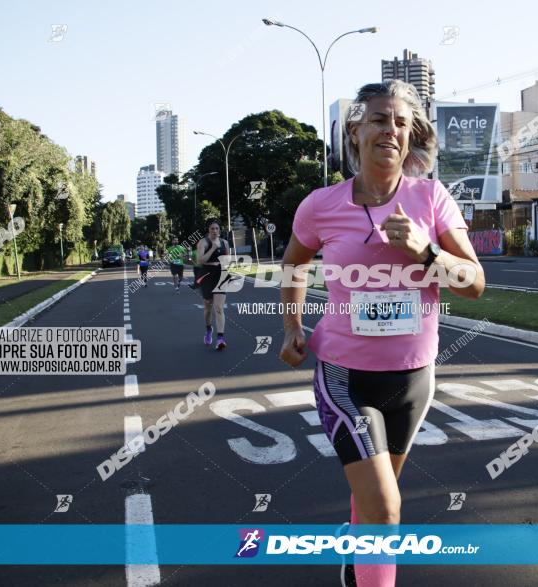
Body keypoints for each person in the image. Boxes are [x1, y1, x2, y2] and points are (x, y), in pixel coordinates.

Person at [278, 80, 485, 587]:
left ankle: (356, 559)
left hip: (414, 379)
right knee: (386, 508)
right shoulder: (321, 205)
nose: (389, 130)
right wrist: (292, 326)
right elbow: (293, 263)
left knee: (374, 498)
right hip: (345, 375)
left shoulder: (432, 198)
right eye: (377, 119)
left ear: (411, 134)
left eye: (399, 122)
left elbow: (475, 284)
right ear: (355, 131)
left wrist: (427, 252)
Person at [195, 219, 230, 349]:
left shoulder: (225, 243)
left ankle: (220, 338)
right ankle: (209, 329)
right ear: (208, 230)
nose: (215, 231)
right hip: (207, 275)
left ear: (219, 230)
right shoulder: (203, 242)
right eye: (212, 229)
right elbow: (200, 260)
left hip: (220, 275)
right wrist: (213, 249)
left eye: (217, 228)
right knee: (208, 307)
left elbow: (227, 260)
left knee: (219, 308)